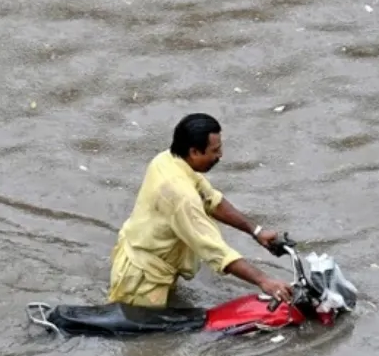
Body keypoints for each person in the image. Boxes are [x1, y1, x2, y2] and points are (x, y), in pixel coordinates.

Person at [108, 113, 296, 308]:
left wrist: (256, 232)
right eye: (215, 150)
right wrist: (264, 281)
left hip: (143, 261)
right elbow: (214, 249)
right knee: (149, 337)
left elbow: (211, 199)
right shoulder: (180, 196)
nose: (220, 155)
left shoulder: (167, 159)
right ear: (195, 152)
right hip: (143, 280)